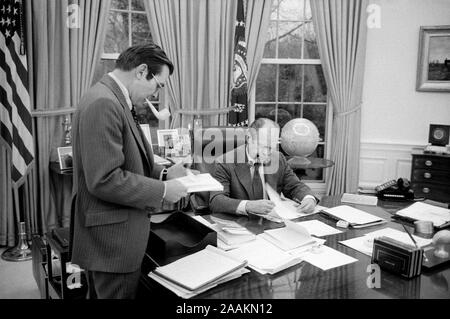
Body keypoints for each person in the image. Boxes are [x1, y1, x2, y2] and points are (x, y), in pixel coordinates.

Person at [70, 43, 190, 299]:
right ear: (142, 71)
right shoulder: (104, 102)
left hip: (113, 235)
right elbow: (104, 179)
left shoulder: (113, 98)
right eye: (158, 85)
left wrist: (164, 173)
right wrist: (164, 191)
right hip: (113, 241)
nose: (156, 94)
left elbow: (128, 159)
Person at [209, 118, 317, 217]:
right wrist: (248, 206)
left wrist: (309, 198)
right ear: (249, 138)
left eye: (272, 147)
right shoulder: (224, 162)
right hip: (241, 224)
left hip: (273, 222)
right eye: (264, 146)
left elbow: (294, 186)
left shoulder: (278, 158)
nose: (267, 152)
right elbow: (216, 200)